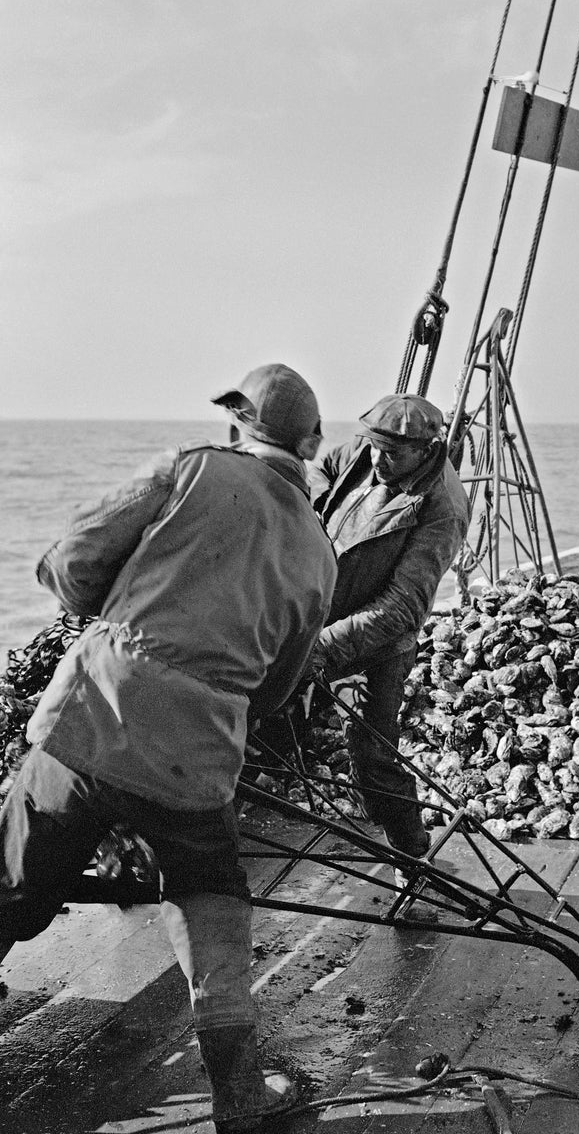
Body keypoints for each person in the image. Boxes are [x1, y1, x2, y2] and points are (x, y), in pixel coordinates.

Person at [0, 363, 337, 1134]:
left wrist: (114, 620)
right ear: (312, 445)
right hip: (198, 754)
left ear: (236, 426)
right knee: (210, 895)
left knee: (17, 872)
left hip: (91, 719)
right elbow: (280, 685)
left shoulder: (193, 468)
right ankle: (239, 1092)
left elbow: (72, 560)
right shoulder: (320, 553)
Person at [304, 393, 469, 865]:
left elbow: (402, 609)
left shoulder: (442, 508)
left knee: (373, 764)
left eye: (392, 454)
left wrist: (320, 648)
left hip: (376, 648)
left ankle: (413, 856)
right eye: (373, 446)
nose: (377, 460)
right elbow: (323, 468)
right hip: (319, 616)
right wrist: (309, 508)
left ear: (425, 450)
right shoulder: (366, 451)